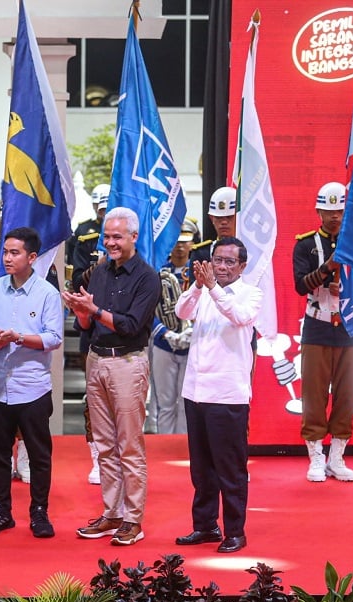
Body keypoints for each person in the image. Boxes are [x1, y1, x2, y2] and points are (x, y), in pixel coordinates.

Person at [65, 207, 161, 547]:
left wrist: (94, 312)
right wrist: (82, 313)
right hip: (96, 360)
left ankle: (133, 519)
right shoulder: (99, 272)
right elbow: (86, 325)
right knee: (103, 445)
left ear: (134, 237)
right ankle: (112, 512)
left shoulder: (148, 278)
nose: (110, 243)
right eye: (107, 237)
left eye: (117, 237)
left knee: (129, 446)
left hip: (128, 363)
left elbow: (132, 325)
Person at [0, 227, 63, 539]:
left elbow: (54, 338)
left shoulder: (48, 294)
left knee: (39, 454)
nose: (7, 258)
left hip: (32, 385)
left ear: (32, 257)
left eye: (15, 253)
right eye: (6, 252)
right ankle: (1, 510)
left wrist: (19, 338)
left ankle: (39, 511)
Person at [174, 237, 260, 554]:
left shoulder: (251, 294)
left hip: (228, 395)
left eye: (228, 262)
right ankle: (206, 525)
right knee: (201, 467)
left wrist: (212, 288)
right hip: (196, 389)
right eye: (217, 260)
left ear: (242, 266)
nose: (221, 267)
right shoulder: (205, 290)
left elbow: (238, 317)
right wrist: (198, 287)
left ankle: (235, 531)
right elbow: (181, 311)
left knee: (230, 467)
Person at [293, 182, 353, 482]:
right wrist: (325, 270)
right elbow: (298, 285)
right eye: (329, 210)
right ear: (319, 210)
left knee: (346, 395)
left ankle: (337, 456)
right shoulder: (305, 244)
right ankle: (315, 457)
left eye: (339, 210)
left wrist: (346, 286)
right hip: (317, 326)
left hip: (349, 326)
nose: (334, 216)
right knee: (314, 395)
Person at [69, 184, 110, 485]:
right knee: (93, 396)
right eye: (101, 205)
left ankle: (118, 456)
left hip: (122, 324)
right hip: (92, 327)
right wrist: (101, 268)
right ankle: (96, 457)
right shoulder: (84, 235)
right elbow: (76, 278)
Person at [148, 218, 197, 435]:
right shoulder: (158, 271)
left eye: (185, 241)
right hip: (163, 343)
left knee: (187, 401)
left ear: (193, 243)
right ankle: (163, 444)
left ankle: (183, 446)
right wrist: (165, 333)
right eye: (176, 241)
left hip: (192, 343)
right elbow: (148, 308)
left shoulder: (198, 271)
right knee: (164, 401)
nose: (180, 246)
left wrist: (191, 331)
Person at [189, 186, 237, 264]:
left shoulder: (252, 250)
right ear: (212, 218)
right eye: (219, 217)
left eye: (229, 217)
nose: (224, 222)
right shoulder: (201, 254)